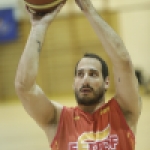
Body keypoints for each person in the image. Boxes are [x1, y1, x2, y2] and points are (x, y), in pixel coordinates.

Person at [15, 0, 142, 150]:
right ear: (73, 82)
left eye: (93, 74)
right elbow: (24, 87)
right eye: (80, 75)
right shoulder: (57, 120)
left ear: (106, 82)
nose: (85, 80)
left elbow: (123, 63)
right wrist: (38, 26)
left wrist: (88, 8)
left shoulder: (124, 110)